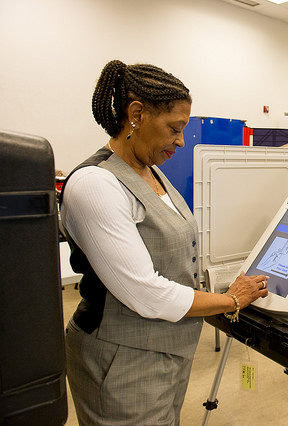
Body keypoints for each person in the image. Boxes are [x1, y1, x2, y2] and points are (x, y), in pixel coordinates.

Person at [60, 60, 269, 425]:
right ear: (136, 114)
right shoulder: (96, 184)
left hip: (167, 351)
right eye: (174, 128)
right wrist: (231, 299)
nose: (181, 141)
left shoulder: (150, 170)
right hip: (121, 357)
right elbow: (145, 292)